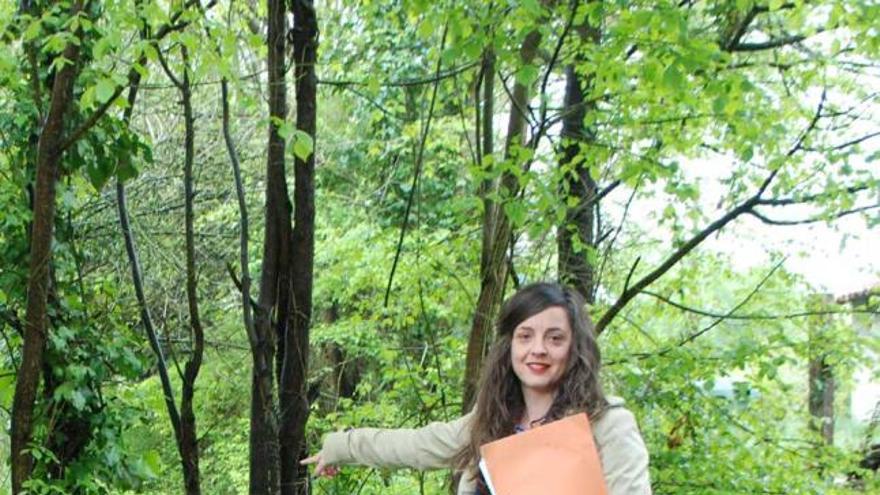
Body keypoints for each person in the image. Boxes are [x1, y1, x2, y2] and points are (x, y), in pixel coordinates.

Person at [301, 282, 651, 494]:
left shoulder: (605, 426)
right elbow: (415, 446)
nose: (538, 349)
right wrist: (340, 445)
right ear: (510, 346)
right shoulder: (489, 424)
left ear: (575, 347)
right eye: (525, 336)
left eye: (555, 338)